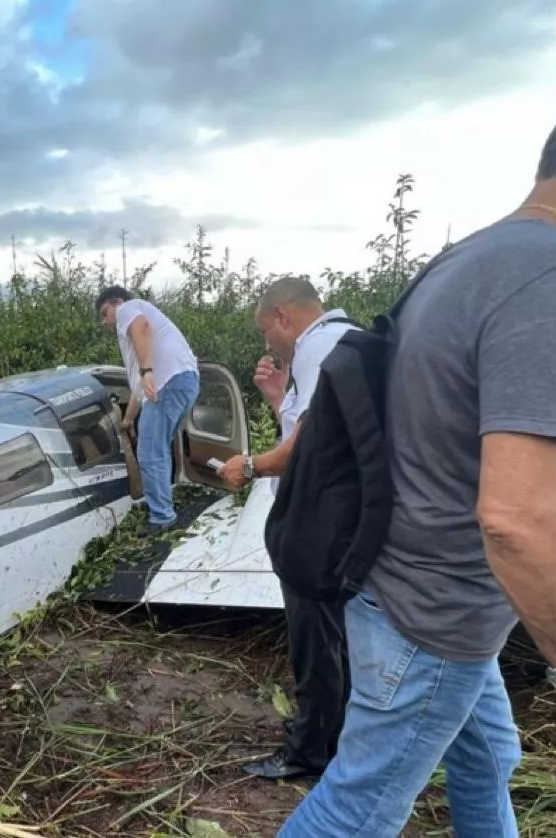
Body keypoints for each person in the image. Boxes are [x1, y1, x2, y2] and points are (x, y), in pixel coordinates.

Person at [278, 47, 556, 838]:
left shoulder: (469, 257)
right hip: (437, 617)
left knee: (485, 758)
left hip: (398, 589)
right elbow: (519, 517)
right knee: (353, 810)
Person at [219, 278, 357, 780]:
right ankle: (339, 736)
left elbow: (308, 448)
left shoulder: (318, 349)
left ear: (282, 315)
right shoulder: (347, 338)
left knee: (314, 638)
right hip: (342, 515)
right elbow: (312, 427)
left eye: (265, 333)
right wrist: (277, 398)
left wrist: (250, 466)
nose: (267, 345)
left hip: (319, 519)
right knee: (337, 634)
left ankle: (312, 749)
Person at [96, 286, 200, 534]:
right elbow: (139, 391)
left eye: (104, 312)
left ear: (117, 301)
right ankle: (164, 506)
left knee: (149, 452)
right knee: (158, 448)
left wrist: (147, 372)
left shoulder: (128, 309)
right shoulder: (145, 332)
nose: (104, 321)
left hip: (168, 384)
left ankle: (162, 517)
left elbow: (141, 327)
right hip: (184, 383)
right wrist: (128, 420)